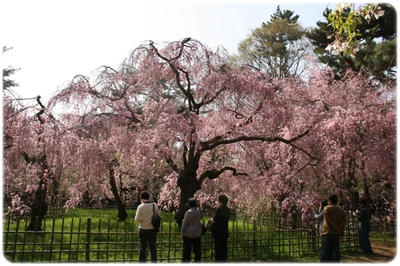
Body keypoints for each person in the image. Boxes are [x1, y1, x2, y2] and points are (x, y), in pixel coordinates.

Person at [135, 191, 160, 262]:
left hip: (142, 229)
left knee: (143, 247)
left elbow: (137, 218)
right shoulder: (154, 205)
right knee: (153, 247)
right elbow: (158, 215)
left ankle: (142, 262)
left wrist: (143, 219)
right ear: (148, 197)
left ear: (141, 198)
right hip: (152, 229)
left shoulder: (140, 206)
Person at [320, 194, 346, 262]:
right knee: (335, 251)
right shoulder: (341, 209)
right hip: (336, 233)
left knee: (326, 251)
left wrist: (334, 227)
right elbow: (344, 220)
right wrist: (338, 228)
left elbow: (328, 220)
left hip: (327, 232)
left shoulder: (326, 208)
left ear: (330, 200)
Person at [210, 194, 231, 262]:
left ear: (221, 202)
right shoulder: (228, 210)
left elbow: (216, 219)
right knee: (224, 249)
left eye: (218, 201)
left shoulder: (219, 209)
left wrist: (211, 220)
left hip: (218, 233)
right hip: (224, 232)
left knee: (218, 250)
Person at [181, 198, 202, 262]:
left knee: (187, 252)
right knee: (197, 252)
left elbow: (184, 224)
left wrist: (182, 232)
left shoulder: (188, 212)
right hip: (197, 234)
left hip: (188, 234)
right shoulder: (198, 212)